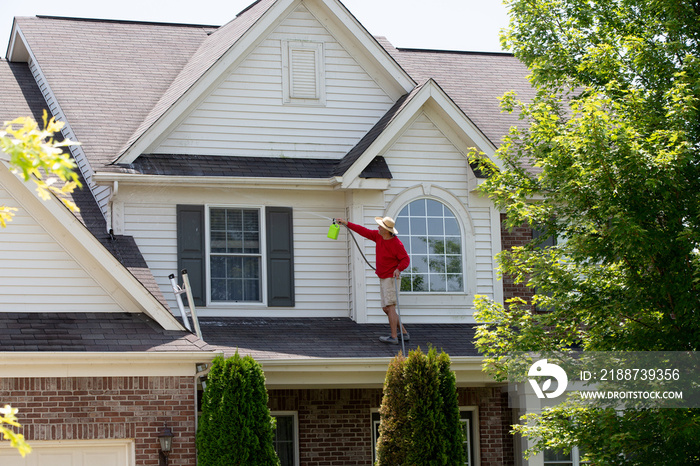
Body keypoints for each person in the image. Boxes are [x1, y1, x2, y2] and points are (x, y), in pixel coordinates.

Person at [336, 216, 410, 344]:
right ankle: (403, 333)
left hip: (391, 278)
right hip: (382, 277)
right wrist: (346, 223)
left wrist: (398, 269)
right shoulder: (378, 236)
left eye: (380, 226)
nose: (378, 228)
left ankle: (394, 337)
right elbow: (363, 231)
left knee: (390, 307)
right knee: (386, 308)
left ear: (387, 230)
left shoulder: (396, 244)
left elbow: (406, 260)